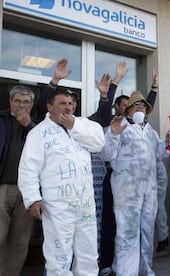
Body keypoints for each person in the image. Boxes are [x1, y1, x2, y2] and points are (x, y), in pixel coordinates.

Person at [18, 89, 105, 275]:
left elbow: (98, 143)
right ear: (50, 107)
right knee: (59, 256)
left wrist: (74, 126)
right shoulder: (39, 133)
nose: (68, 107)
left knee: (88, 254)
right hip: (57, 206)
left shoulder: (83, 124)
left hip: (85, 204)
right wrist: (33, 198)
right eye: (62, 103)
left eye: (71, 103)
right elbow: (28, 169)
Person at [100, 90, 165, 275]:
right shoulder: (119, 126)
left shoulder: (150, 131)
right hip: (127, 189)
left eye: (143, 105)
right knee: (127, 232)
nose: (141, 107)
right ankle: (125, 271)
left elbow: (159, 155)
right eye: (136, 104)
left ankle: (145, 270)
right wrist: (112, 134)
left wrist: (168, 144)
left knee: (147, 232)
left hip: (148, 190)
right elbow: (105, 154)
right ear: (128, 109)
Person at [0, 86, 36, 276]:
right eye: (18, 101)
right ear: (10, 101)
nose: (21, 105)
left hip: (27, 191)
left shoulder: (37, 126)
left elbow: (45, 148)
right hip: (3, 188)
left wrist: (28, 125)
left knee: (20, 240)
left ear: (31, 105)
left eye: (26, 102)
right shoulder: (1, 120)